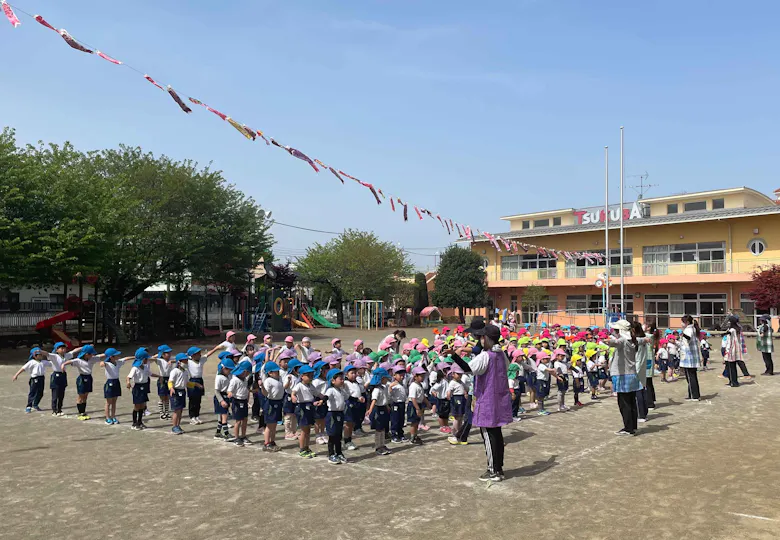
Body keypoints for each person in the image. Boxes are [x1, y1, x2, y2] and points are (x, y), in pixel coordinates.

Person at [449, 322, 513, 483]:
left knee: (488, 434)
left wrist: (454, 355)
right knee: (497, 433)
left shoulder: (486, 356)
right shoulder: (502, 354)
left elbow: (469, 369)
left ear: (486, 339)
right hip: (499, 398)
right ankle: (499, 467)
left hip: (487, 399)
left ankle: (493, 470)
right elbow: (506, 367)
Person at [606, 320, 650, 436]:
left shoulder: (623, 340)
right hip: (631, 375)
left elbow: (614, 343)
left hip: (622, 375)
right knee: (631, 401)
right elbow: (643, 340)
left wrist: (607, 341)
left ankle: (628, 428)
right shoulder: (633, 339)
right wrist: (646, 339)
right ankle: (632, 426)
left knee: (624, 403)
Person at [168, 353, 204, 435]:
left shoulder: (185, 372)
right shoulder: (175, 371)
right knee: (176, 410)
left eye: (187, 360)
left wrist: (196, 384)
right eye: (185, 361)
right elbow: (170, 381)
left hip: (182, 391)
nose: (186, 362)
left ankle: (178, 425)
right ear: (179, 362)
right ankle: (174, 426)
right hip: (176, 391)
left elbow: (187, 383)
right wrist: (171, 388)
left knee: (180, 410)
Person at [62, 344, 99, 420]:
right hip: (82, 378)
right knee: (81, 396)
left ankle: (83, 412)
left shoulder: (92, 359)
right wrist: (63, 365)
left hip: (89, 377)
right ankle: (80, 413)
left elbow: (101, 356)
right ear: (86, 354)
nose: (92, 355)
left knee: (85, 396)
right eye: (91, 354)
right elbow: (69, 361)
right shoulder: (78, 361)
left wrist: (109, 353)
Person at [126, 348, 157, 430]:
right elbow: (128, 377)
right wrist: (128, 382)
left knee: (142, 405)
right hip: (137, 387)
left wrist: (159, 376)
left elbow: (151, 374)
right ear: (143, 359)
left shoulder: (145, 367)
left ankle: (140, 422)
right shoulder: (135, 368)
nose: (148, 360)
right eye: (146, 359)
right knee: (137, 406)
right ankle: (134, 423)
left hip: (144, 386)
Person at [292, 365, 319, 458]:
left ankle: (307, 447)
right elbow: (293, 392)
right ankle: (302, 449)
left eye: (312, 375)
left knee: (308, 429)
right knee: (303, 430)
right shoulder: (299, 385)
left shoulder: (311, 385)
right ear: (302, 376)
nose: (311, 377)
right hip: (302, 407)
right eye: (308, 375)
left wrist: (325, 397)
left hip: (310, 406)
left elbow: (317, 394)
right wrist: (293, 397)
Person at [324, 368, 350, 464]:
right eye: (340, 379)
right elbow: (326, 397)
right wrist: (321, 401)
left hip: (340, 413)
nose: (342, 381)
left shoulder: (341, 390)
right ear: (333, 381)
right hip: (332, 414)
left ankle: (339, 453)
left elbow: (348, 397)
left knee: (339, 435)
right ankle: (331, 454)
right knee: (332, 435)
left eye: (343, 378)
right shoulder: (330, 390)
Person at [12, 347, 50, 413]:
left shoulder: (43, 362)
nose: (40, 356)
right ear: (34, 356)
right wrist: (16, 375)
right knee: (32, 392)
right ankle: (29, 406)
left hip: (41, 378)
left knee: (40, 393)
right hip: (35, 379)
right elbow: (23, 368)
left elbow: (52, 363)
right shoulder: (32, 362)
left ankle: (35, 404)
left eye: (41, 354)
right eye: (38, 355)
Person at [100, 348, 132, 425]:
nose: (118, 356)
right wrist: (103, 363)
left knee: (114, 401)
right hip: (109, 383)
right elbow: (101, 364)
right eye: (116, 355)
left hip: (116, 382)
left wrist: (135, 357)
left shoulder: (118, 362)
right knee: (108, 402)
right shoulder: (107, 363)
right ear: (111, 357)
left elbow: (126, 358)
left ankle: (113, 416)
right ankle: (107, 418)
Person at [367, 367, 392, 456]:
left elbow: (384, 399)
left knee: (383, 428)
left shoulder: (384, 388)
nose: (387, 380)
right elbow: (374, 400)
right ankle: (378, 446)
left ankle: (383, 445)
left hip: (384, 408)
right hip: (378, 409)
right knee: (378, 429)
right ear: (381, 378)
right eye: (385, 378)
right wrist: (370, 409)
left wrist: (387, 406)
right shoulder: (377, 389)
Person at [228, 360, 253, 446]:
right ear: (244, 371)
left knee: (245, 419)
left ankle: (243, 436)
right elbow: (229, 390)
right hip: (237, 401)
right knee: (238, 421)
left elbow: (246, 389)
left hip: (244, 401)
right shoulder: (234, 380)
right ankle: (236, 437)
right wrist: (230, 393)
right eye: (248, 372)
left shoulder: (245, 380)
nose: (248, 374)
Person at [261, 361, 284, 451]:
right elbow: (266, 393)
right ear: (269, 373)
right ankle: (266, 443)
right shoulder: (268, 381)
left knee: (274, 425)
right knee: (269, 425)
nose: (277, 373)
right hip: (271, 403)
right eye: (275, 371)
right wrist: (262, 387)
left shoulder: (280, 378)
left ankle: (272, 441)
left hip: (278, 402)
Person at [679, 315, 702, 401]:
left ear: (687, 322)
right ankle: (693, 394)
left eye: (683, 322)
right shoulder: (692, 328)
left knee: (690, 377)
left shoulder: (688, 329)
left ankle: (694, 396)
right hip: (691, 357)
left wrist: (683, 335)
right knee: (692, 376)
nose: (681, 324)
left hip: (689, 357)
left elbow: (688, 337)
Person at [46, 342, 71, 416]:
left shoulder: (66, 355)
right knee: (55, 394)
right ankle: (54, 410)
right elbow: (47, 354)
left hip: (63, 375)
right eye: (61, 348)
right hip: (56, 375)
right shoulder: (54, 356)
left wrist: (84, 347)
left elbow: (75, 350)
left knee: (61, 394)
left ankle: (59, 409)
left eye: (64, 348)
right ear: (57, 350)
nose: (63, 350)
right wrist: (39, 351)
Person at [214, 354, 235, 441]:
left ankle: (218, 433)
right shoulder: (219, 377)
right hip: (220, 397)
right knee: (224, 416)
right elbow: (216, 391)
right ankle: (226, 434)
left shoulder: (229, 376)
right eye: (228, 369)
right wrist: (221, 401)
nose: (229, 371)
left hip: (226, 396)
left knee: (221, 416)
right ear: (223, 368)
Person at [407, 366, 428, 446]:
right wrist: (417, 409)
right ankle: (412, 437)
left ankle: (415, 435)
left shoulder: (420, 385)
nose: (422, 377)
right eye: (421, 376)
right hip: (414, 405)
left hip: (419, 404)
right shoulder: (413, 386)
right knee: (414, 422)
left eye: (423, 375)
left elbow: (422, 396)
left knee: (417, 421)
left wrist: (427, 403)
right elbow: (413, 398)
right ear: (415, 376)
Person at [186, 346, 208, 424]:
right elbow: (177, 360)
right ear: (192, 355)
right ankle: (192, 417)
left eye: (199, 353)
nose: (200, 355)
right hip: (192, 380)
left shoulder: (201, 360)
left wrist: (216, 348)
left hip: (200, 379)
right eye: (197, 353)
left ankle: (197, 416)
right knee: (192, 400)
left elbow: (208, 354)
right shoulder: (188, 361)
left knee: (198, 400)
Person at [389, 365, 409, 444]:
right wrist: (390, 388)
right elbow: (389, 394)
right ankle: (394, 435)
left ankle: (401, 434)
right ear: (394, 375)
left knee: (401, 419)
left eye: (403, 375)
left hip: (402, 403)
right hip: (395, 403)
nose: (402, 377)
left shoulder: (402, 384)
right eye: (400, 375)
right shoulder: (393, 384)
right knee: (395, 419)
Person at [154, 344, 174, 420]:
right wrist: (159, 354)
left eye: (169, 352)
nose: (169, 354)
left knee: (168, 397)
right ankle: (161, 413)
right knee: (162, 397)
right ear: (163, 354)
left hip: (169, 379)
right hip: (162, 378)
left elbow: (179, 359)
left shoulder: (171, 359)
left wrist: (171, 360)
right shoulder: (160, 360)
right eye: (167, 353)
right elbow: (152, 358)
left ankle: (167, 412)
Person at [724, 315, 745, 387]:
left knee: (730, 366)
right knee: (733, 367)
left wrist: (726, 350)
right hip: (735, 349)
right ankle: (734, 381)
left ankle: (733, 382)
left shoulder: (732, 330)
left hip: (731, 349)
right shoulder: (738, 328)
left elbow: (729, 336)